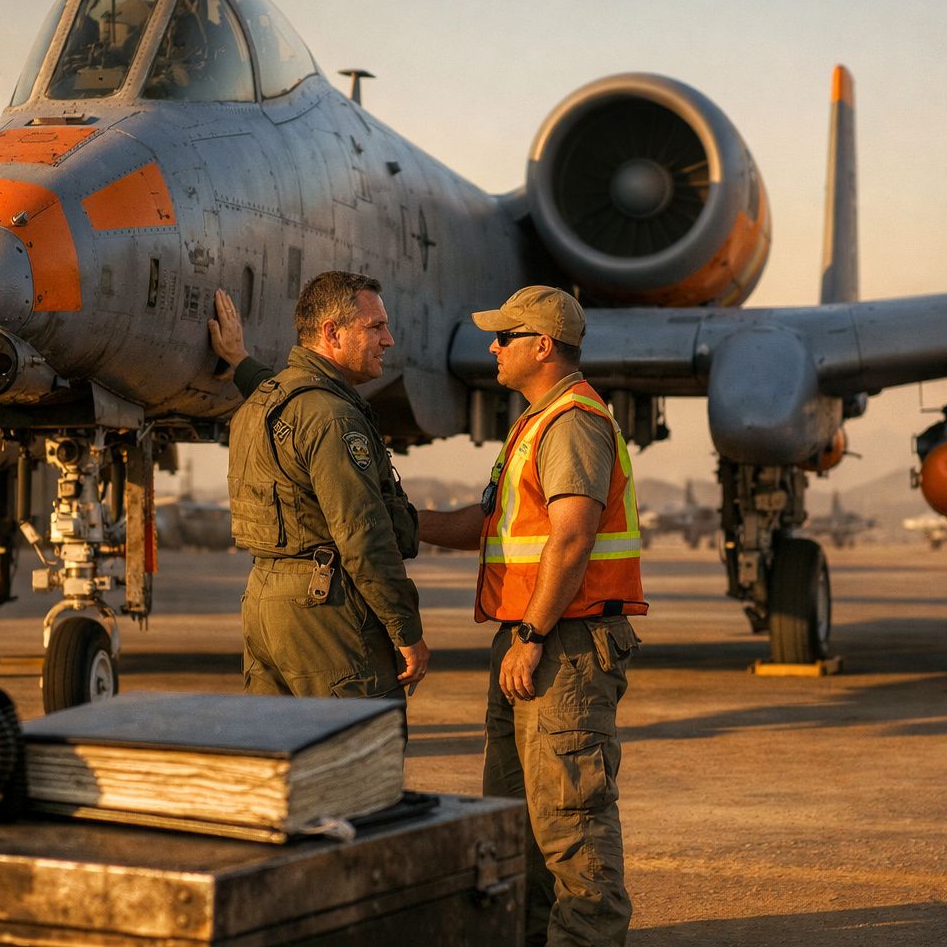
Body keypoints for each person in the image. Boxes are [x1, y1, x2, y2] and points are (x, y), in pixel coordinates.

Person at [417, 285, 647, 947]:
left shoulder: (572, 421)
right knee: (516, 819)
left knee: (572, 822)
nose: (492, 347)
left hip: (561, 645)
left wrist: (532, 634)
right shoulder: (534, 423)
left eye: (504, 336)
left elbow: (571, 538)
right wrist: (404, 521)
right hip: (532, 641)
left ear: (542, 346)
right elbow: (486, 525)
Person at [217, 274, 429, 699]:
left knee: (279, 740)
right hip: (326, 613)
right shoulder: (333, 417)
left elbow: (280, 394)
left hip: (265, 605)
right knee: (359, 739)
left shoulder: (264, 402)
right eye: (375, 326)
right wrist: (406, 631)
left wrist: (239, 360)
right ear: (332, 332)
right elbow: (363, 538)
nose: (387, 340)